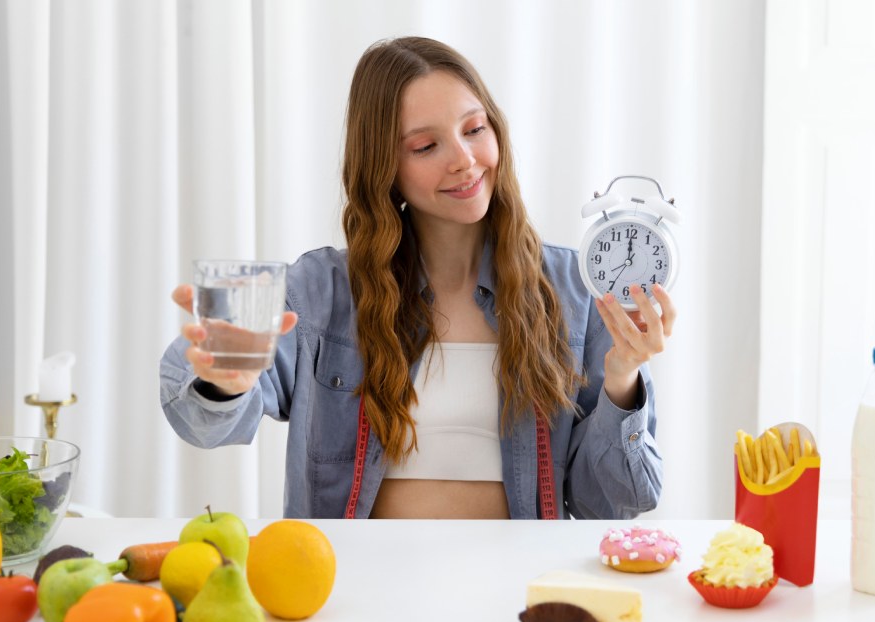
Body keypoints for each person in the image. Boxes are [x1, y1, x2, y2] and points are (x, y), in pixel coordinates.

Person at [160, 36, 676, 520]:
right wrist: (224, 381)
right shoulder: (324, 291)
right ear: (384, 167)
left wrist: (623, 377)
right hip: (353, 587)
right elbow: (201, 422)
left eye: (474, 130)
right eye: (426, 146)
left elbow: (614, 504)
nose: (464, 160)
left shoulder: (572, 292)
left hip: (516, 589)